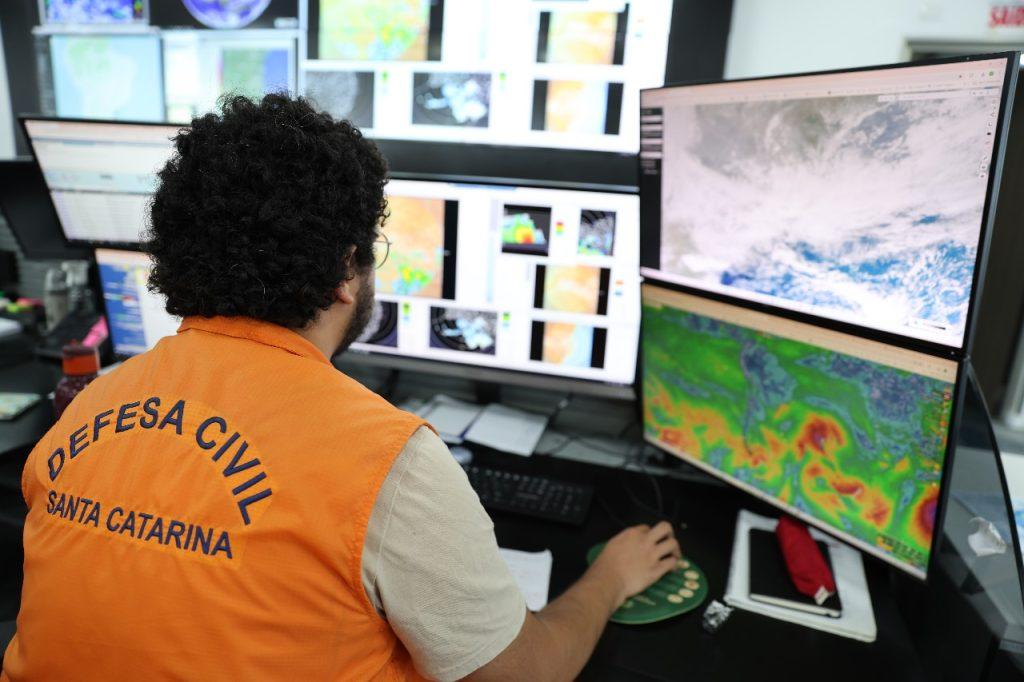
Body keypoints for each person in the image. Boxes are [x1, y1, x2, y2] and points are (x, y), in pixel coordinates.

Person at [2, 94, 681, 681]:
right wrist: (610, 578)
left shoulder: (91, 402)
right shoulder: (386, 460)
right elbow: (526, 671)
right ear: (342, 272)